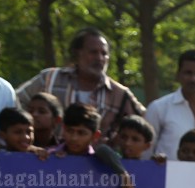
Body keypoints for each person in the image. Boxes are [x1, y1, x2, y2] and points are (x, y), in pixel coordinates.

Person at [15, 27, 145, 144]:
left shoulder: (120, 94)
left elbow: (145, 123)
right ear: (77, 54)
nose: (100, 58)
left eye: (104, 53)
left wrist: (115, 141)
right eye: (93, 52)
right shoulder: (49, 79)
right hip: (44, 160)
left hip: (95, 167)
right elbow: (15, 102)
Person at [50, 103, 136, 188]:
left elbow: (103, 150)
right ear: (63, 129)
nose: (74, 138)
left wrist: (124, 175)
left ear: (95, 135)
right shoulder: (50, 155)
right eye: (70, 131)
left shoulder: (105, 160)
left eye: (81, 133)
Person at [145, 50, 195, 159]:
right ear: (178, 74)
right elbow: (145, 154)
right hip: (165, 175)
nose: (193, 79)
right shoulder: (158, 108)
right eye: (188, 73)